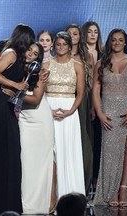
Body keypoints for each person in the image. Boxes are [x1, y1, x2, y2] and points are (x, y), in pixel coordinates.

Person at [93, 28, 127, 206]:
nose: (116, 43)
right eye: (113, 40)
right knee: (109, 151)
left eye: (120, 40)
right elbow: (96, 90)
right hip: (107, 112)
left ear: (125, 42)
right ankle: (111, 191)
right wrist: (99, 112)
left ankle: (123, 189)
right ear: (109, 42)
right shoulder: (101, 63)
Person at [0, 23, 35, 215]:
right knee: (2, 153)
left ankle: (10, 203)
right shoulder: (11, 53)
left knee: (12, 152)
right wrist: (14, 84)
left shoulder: (21, 58)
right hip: (0, 105)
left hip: (8, 104)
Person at [44, 31, 85, 199]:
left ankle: (71, 193)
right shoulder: (46, 65)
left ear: (70, 46)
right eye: (58, 44)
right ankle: (51, 195)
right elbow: (41, 92)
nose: (61, 47)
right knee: (51, 150)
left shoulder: (77, 65)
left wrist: (71, 110)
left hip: (70, 110)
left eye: (64, 44)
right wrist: (48, 111)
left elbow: (80, 93)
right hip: (49, 108)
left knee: (68, 149)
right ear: (54, 45)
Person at [18, 42, 57, 214]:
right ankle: (26, 203)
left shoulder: (41, 72)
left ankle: (45, 204)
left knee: (42, 163)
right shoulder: (15, 69)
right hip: (23, 119)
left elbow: (35, 99)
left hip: (40, 119)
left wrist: (13, 93)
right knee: (26, 163)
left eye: (35, 54)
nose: (30, 55)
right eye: (29, 50)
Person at [65, 23, 94, 195]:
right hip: (63, 97)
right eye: (69, 34)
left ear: (79, 36)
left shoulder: (86, 56)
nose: (72, 36)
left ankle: (83, 183)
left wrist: (91, 107)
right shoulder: (58, 55)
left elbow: (90, 82)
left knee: (83, 139)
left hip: (82, 100)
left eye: (75, 33)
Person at [81, 21, 103, 192]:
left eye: (96, 31)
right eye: (90, 31)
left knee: (99, 141)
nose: (93, 34)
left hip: (103, 99)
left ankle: (97, 180)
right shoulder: (80, 54)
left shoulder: (104, 54)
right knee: (86, 139)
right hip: (84, 97)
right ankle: (85, 179)